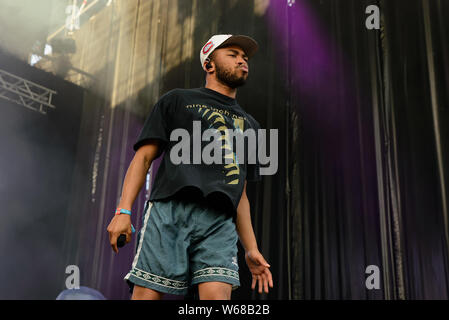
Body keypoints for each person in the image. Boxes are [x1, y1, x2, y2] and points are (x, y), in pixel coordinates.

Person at [107, 34, 273, 300]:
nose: (242, 59)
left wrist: (251, 248)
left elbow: (240, 193)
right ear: (209, 64)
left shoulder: (251, 125)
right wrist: (123, 210)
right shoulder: (176, 100)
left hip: (220, 221)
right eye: (232, 54)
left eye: (245, 57)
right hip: (170, 211)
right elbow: (144, 158)